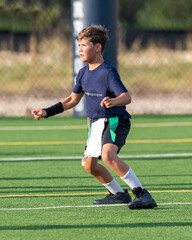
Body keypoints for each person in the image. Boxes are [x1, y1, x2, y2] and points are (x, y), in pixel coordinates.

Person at [32, 25, 157, 209]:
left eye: (84, 45)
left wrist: (113, 102)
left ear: (98, 47)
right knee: (89, 165)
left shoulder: (107, 71)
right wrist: (46, 111)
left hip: (115, 120)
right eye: (79, 45)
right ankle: (118, 194)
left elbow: (126, 97)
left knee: (108, 156)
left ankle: (142, 194)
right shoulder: (83, 73)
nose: (80, 49)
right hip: (95, 123)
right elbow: (72, 100)